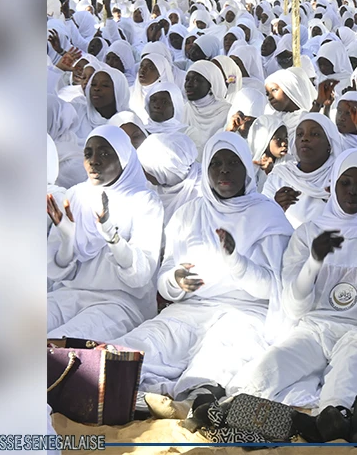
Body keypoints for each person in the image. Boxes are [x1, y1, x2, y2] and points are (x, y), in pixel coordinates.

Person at [116, 131, 293, 415]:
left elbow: (274, 289)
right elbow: (165, 278)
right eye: (216, 163)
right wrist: (176, 281)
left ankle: (193, 401)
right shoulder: (188, 214)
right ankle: (119, 387)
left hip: (246, 311)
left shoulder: (267, 216)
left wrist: (237, 263)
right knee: (149, 339)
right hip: (193, 308)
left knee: (219, 351)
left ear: (247, 169)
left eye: (233, 163)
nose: (224, 170)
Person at [240, 148, 357, 415]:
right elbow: (294, 306)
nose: (352, 191)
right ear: (333, 185)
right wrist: (314, 261)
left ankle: (329, 423)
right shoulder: (310, 233)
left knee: (345, 386)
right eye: (345, 183)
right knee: (268, 370)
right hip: (317, 329)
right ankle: (230, 406)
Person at [46, 125, 164, 342]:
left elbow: (140, 275)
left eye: (104, 153)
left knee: (56, 343)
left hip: (119, 303)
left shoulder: (144, 201)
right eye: (88, 153)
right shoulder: (76, 196)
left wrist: (111, 236)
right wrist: (67, 239)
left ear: (123, 158)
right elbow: (56, 273)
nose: (94, 161)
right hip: (69, 294)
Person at [263, 113, 343, 228]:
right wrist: (276, 207)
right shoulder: (280, 176)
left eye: (315, 134)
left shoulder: (340, 178)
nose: (305, 138)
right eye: (300, 134)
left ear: (329, 144)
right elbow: (262, 220)